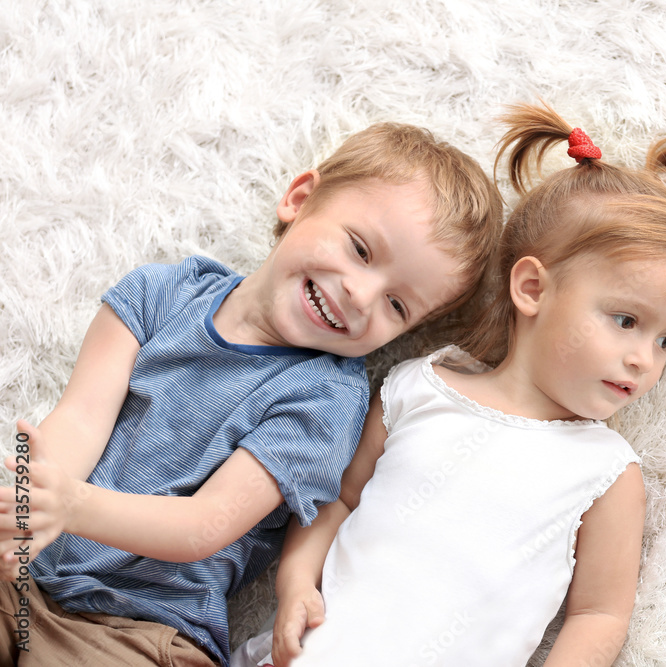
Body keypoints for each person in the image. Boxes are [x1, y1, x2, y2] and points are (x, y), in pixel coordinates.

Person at [0, 122, 503, 667]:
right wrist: (33, 504)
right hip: (27, 571)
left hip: (140, 629)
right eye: (360, 249)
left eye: (397, 306)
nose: (361, 295)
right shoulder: (160, 294)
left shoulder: (324, 402)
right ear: (299, 199)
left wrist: (72, 506)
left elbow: (203, 527)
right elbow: (78, 419)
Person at [235, 101, 666, 667]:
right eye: (627, 321)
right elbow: (337, 500)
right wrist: (295, 583)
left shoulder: (606, 471)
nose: (645, 360)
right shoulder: (418, 389)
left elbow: (599, 616)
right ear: (533, 289)